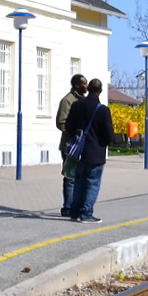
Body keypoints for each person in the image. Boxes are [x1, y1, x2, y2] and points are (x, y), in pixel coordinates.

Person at [64, 78, 114, 224]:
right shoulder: (103, 110)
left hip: (78, 152)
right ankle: (86, 213)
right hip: (96, 153)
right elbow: (109, 134)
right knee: (92, 183)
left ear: (88, 88)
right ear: (100, 90)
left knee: (78, 181)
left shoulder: (77, 105)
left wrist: (77, 137)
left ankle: (74, 211)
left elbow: (68, 126)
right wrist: (103, 143)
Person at [56, 74, 88, 217]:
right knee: (70, 177)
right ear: (77, 85)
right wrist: (74, 135)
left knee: (81, 177)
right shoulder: (67, 101)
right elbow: (61, 122)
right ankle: (67, 207)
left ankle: (78, 205)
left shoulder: (84, 101)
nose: (86, 86)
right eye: (84, 84)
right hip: (70, 146)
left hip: (83, 146)